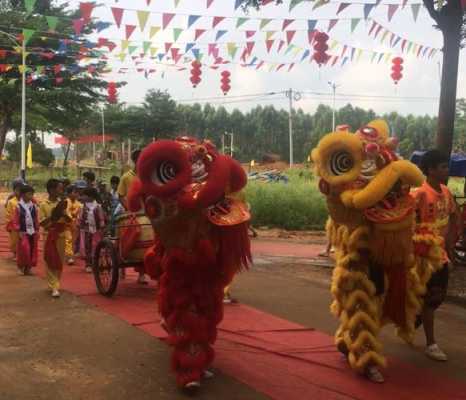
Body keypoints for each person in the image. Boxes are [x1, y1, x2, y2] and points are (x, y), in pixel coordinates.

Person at [413, 150, 457, 362]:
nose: (447, 170)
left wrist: (449, 249)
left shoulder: (447, 192)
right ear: (430, 170)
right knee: (431, 298)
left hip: (442, 255)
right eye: (443, 167)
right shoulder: (419, 194)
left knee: (436, 298)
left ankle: (411, 320)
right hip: (423, 257)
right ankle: (431, 344)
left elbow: (450, 220)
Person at [118, 150, 147, 284]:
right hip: (130, 213)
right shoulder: (126, 177)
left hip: (146, 212)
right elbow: (121, 195)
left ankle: (142, 274)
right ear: (136, 161)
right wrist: (128, 209)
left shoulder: (147, 177)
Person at [40, 179, 70, 298]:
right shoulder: (43, 204)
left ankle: (56, 283)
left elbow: (69, 220)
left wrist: (63, 213)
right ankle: (54, 286)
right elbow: (42, 223)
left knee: (60, 261)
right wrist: (53, 217)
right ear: (52, 190)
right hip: (49, 234)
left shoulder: (63, 203)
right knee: (49, 259)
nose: (61, 191)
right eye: (59, 188)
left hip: (61, 234)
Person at [12, 184, 39, 276]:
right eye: (28, 194)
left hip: (32, 231)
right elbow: (16, 220)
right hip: (23, 232)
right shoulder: (19, 207)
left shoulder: (34, 206)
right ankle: (20, 267)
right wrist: (18, 230)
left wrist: (37, 230)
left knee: (32, 249)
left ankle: (28, 268)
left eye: (32, 194)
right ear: (23, 195)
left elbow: (36, 219)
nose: (30, 196)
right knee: (24, 249)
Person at [78, 187, 105, 273]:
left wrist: (102, 226)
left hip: (96, 231)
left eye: (85, 195)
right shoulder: (84, 207)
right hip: (86, 230)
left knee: (96, 246)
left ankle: (97, 263)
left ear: (91, 197)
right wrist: (79, 224)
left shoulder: (97, 206)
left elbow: (101, 218)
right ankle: (88, 264)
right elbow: (81, 217)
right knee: (87, 247)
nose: (83, 197)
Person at [5, 179, 23, 260]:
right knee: (14, 240)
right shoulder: (11, 201)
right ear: (14, 190)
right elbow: (8, 212)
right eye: (17, 190)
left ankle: (22, 253)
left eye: (21, 190)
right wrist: (8, 223)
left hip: (23, 224)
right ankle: (15, 253)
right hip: (13, 224)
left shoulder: (25, 200)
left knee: (22, 239)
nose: (19, 192)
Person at [65, 185, 82, 265]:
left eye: (77, 193)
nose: (76, 194)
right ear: (69, 194)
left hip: (76, 225)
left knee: (74, 240)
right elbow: (67, 213)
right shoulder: (66, 202)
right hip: (67, 224)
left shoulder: (79, 204)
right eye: (74, 192)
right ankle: (69, 256)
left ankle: (70, 254)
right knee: (68, 239)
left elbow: (80, 213)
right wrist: (72, 218)